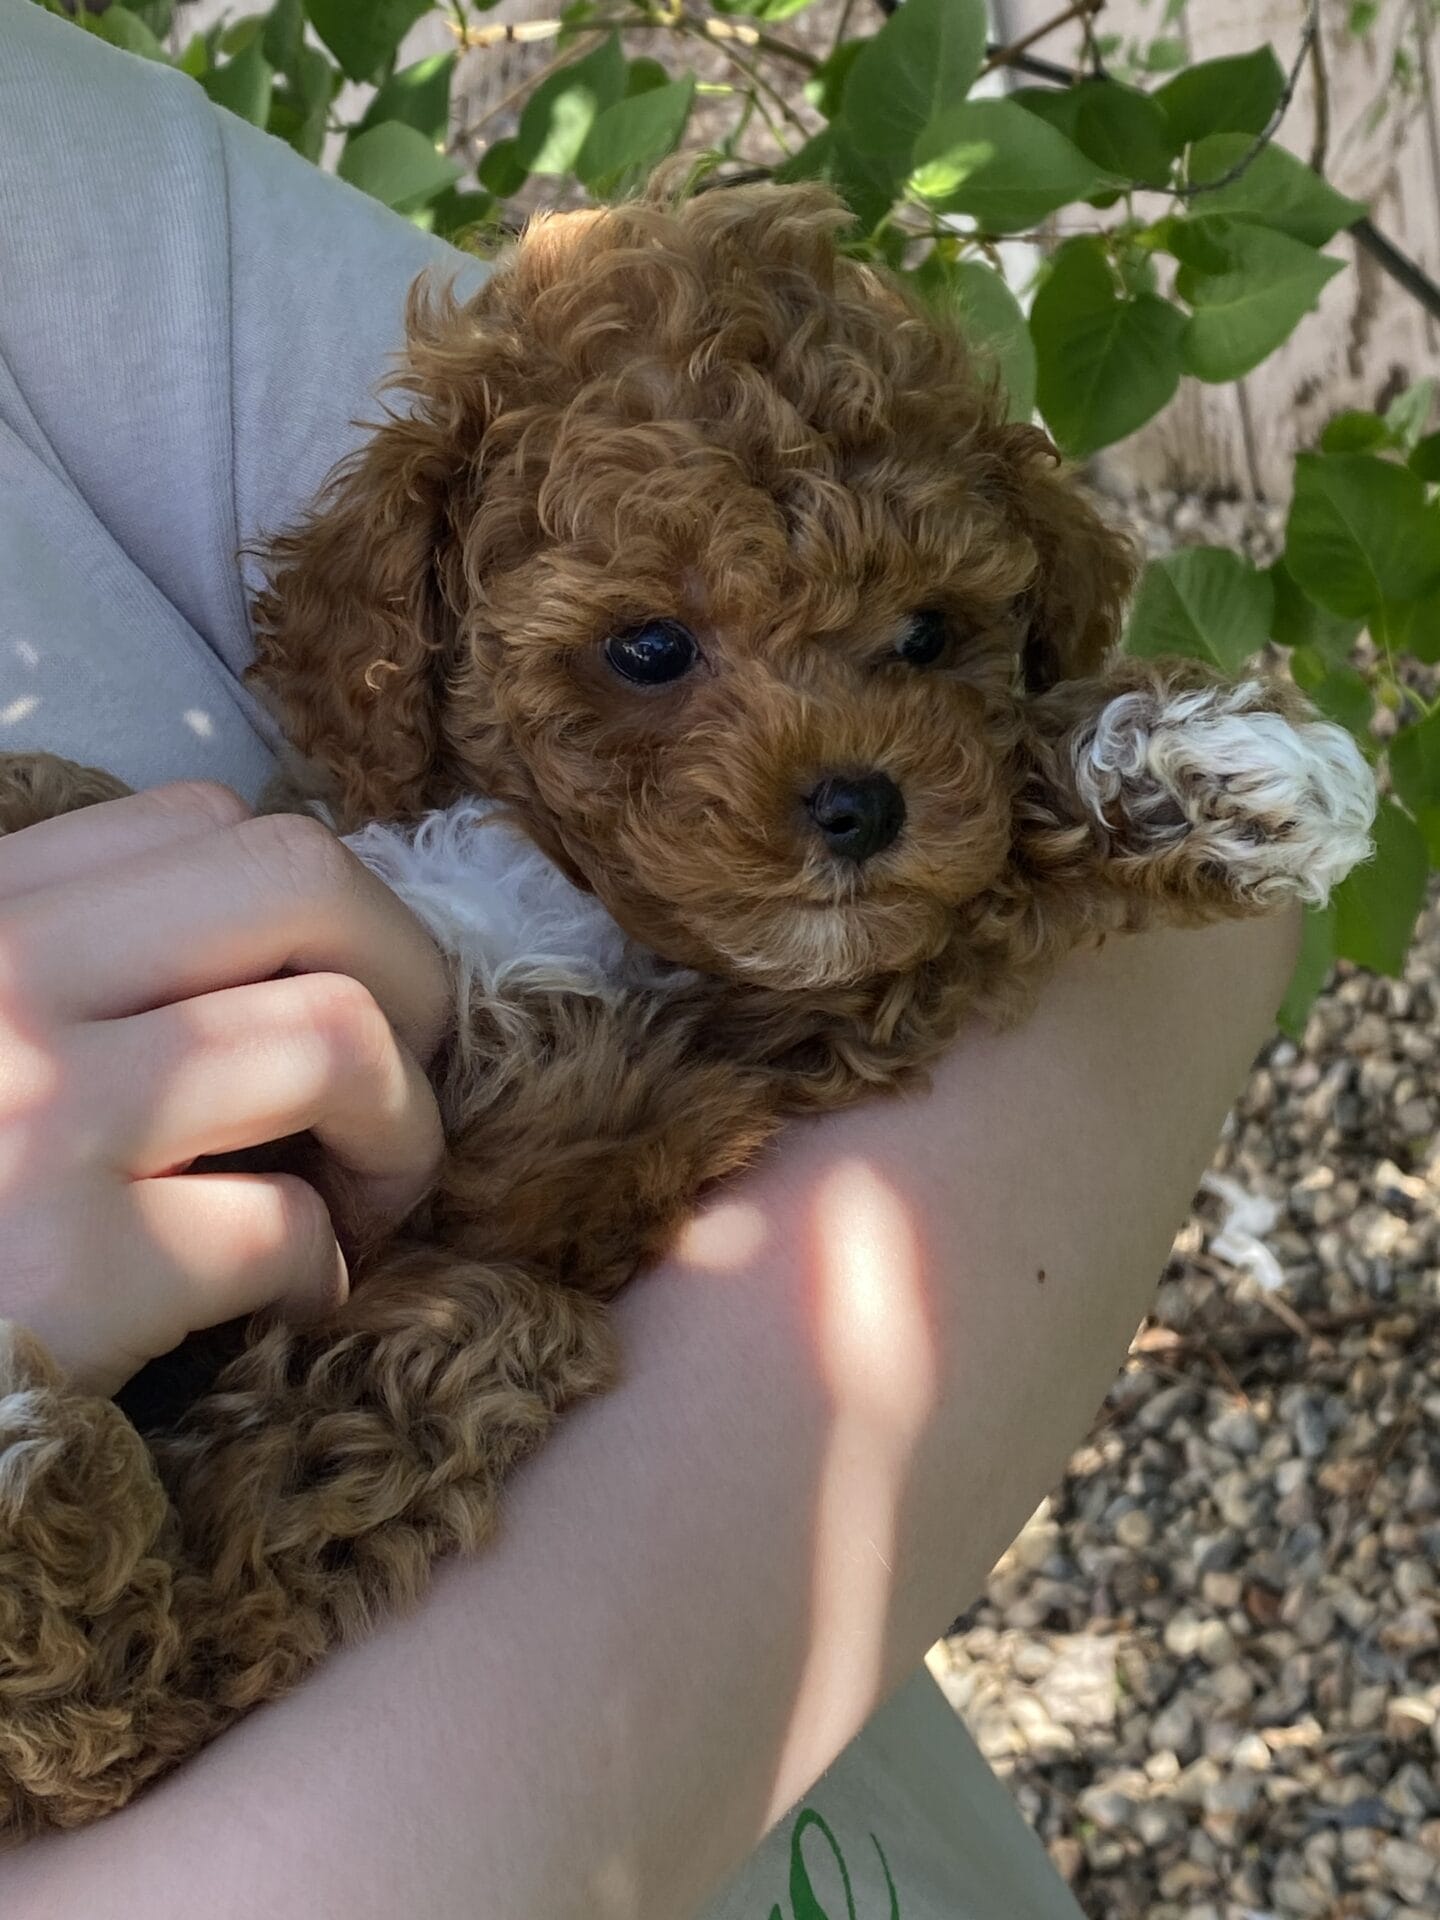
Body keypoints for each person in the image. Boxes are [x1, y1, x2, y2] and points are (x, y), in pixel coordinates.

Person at [0, 7, 1300, 1915]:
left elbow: (1211, 915)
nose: (834, 771)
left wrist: (1083, 791)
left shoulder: (45, 182)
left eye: (921, 637)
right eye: (650, 659)